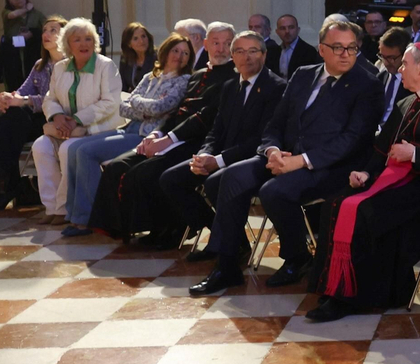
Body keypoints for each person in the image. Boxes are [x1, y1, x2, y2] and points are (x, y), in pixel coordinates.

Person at [187, 16, 384, 296]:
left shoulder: (367, 84)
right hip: (284, 155)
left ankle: (297, 257)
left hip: (329, 165)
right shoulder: (303, 74)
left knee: (274, 191)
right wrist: (273, 150)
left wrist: (300, 161)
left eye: (351, 47)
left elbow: (353, 140)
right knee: (222, 179)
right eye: (337, 47)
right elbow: (276, 123)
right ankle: (228, 264)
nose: (345, 54)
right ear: (321, 49)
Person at [306, 42, 420, 321]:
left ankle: (350, 297)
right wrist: (366, 173)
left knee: (366, 212)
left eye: (405, 64)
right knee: (336, 203)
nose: (400, 70)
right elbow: (382, 149)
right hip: (391, 180)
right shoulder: (406, 103)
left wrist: (416, 154)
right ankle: (335, 285)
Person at [93, 26, 247, 248]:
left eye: (227, 43)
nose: (221, 48)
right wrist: (156, 134)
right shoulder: (198, 75)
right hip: (174, 137)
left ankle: (173, 229)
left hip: (200, 142)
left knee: (145, 173)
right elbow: (177, 113)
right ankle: (136, 228)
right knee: (117, 166)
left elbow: (204, 118)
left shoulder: (233, 77)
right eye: (216, 42)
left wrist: (167, 140)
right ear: (206, 45)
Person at [157, 34, 287, 255]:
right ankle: (223, 234)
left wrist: (218, 161)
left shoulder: (277, 88)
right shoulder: (229, 87)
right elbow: (216, 131)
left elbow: (262, 139)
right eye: (240, 52)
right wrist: (203, 154)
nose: (246, 57)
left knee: (215, 182)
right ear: (233, 57)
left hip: (255, 159)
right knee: (170, 179)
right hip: (221, 156)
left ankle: (223, 244)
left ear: (264, 55)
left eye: (253, 51)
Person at [60, 33, 194, 235]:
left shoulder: (184, 80)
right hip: (129, 127)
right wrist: (145, 109)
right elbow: (123, 107)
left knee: (86, 153)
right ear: (166, 51)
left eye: (185, 53)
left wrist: (139, 103)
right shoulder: (151, 76)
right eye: (176, 50)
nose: (180, 56)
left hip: (145, 135)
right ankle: (73, 214)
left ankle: (89, 219)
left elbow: (161, 107)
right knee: (74, 148)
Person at [30, 19, 124, 226]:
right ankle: (52, 207)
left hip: (97, 129)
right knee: (40, 146)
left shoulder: (105, 66)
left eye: (88, 39)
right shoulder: (60, 68)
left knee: (68, 150)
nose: (84, 44)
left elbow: (110, 102)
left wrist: (77, 120)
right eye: (77, 40)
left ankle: (66, 207)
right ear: (68, 45)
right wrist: (57, 116)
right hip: (64, 129)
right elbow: (50, 99)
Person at [0, 15, 66, 211]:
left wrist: (25, 101)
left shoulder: (70, 65)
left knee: (14, 120)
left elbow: (59, 100)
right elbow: (22, 91)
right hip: (34, 121)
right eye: (45, 30)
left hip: (59, 119)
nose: (46, 34)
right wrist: (9, 98)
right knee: (13, 115)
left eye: (53, 30)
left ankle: (2, 182)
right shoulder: (40, 65)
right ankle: (3, 180)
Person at [0, 0, 49, 96]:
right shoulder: (6, 12)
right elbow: (12, 15)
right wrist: (26, 9)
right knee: (13, 83)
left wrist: (32, 33)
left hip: (31, 53)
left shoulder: (36, 14)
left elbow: (46, 28)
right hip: (12, 54)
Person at [375, 26, 411, 123]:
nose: (386, 63)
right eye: (382, 56)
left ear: (405, 55)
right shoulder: (379, 78)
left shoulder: (412, 84)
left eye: (391, 58)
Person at [269, 14, 320, 79]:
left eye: (291, 27)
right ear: (277, 32)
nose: (287, 31)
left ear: (298, 30)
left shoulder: (309, 51)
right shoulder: (273, 52)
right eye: (282, 28)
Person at [116, 22, 157, 93]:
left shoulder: (157, 57)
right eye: (135, 38)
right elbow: (123, 87)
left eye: (143, 36)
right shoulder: (125, 59)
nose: (141, 41)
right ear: (129, 44)